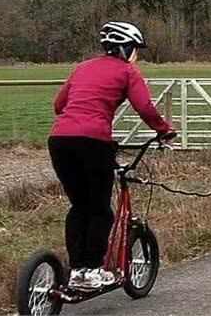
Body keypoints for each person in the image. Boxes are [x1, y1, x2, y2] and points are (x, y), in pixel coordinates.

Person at [48, 21, 174, 290]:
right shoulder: (128, 72)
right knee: (100, 209)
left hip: (59, 141)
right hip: (93, 142)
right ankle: (92, 270)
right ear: (126, 49)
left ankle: (76, 271)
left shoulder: (82, 68)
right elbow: (145, 108)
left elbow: (59, 105)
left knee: (79, 206)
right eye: (136, 50)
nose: (137, 55)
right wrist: (164, 131)